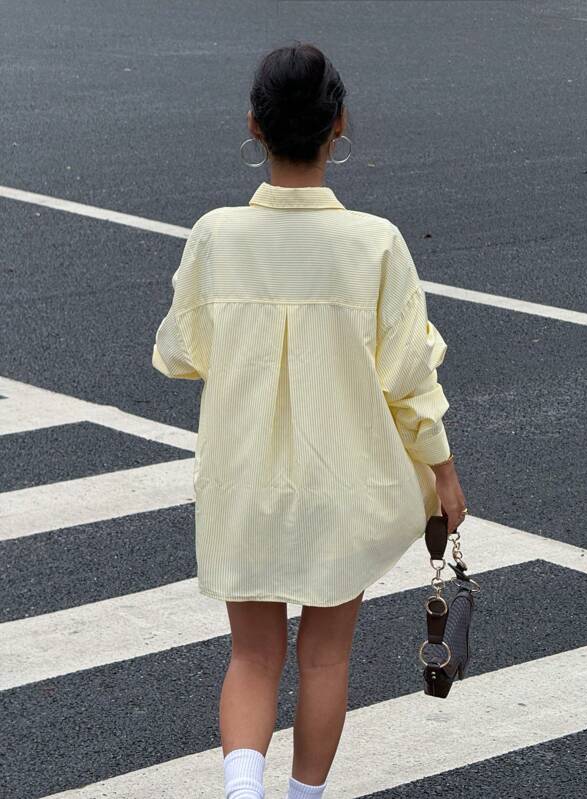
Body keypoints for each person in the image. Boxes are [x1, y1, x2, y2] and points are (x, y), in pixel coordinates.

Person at [152, 40, 467, 799]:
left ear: (254, 125)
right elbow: (410, 380)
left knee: (251, 656)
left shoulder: (216, 235)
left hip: (244, 478)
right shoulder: (375, 243)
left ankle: (242, 791)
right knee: (325, 658)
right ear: (339, 124)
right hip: (338, 480)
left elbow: (180, 352)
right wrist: (444, 474)